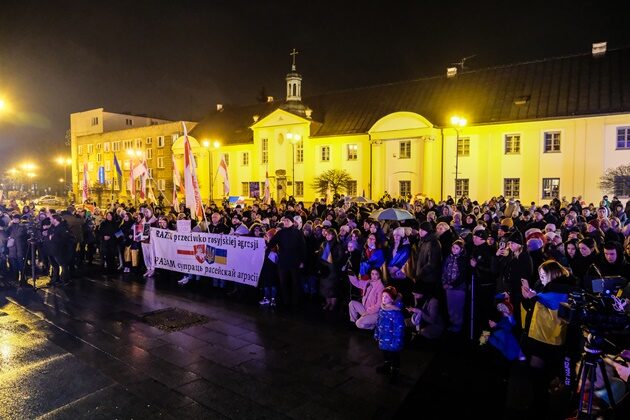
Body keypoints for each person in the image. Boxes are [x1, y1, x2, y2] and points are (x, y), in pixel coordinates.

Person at [266, 215, 306, 306]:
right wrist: (266, 240)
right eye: (284, 221)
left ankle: (295, 302)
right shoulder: (280, 233)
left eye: (288, 220)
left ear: (292, 222)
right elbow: (272, 243)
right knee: (283, 282)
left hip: (295, 262)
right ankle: (285, 301)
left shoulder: (298, 233)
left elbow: (303, 248)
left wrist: (302, 261)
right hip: (283, 261)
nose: (286, 222)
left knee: (295, 283)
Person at [374, 286, 405, 383]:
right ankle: (387, 366)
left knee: (394, 356)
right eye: (383, 296)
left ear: (392, 299)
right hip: (384, 337)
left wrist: (396, 341)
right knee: (385, 353)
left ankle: (395, 372)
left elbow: (399, 329)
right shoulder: (382, 309)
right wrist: (377, 333)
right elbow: (378, 322)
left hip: (393, 340)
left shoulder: (396, 313)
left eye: (386, 297)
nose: (383, 298)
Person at [441, 239, 469, 333]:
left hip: (458, 288)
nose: (454, 249)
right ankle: (453, 324)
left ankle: (458, 325)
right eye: (453, 247)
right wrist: (445, 283)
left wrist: (452, 285)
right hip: (448, 287)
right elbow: (444, 270)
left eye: (456, 248)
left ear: (461, 249)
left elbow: (463, 275)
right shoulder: (448, 257)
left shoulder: (463, 260)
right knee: (451, 307)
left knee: (458, 307)